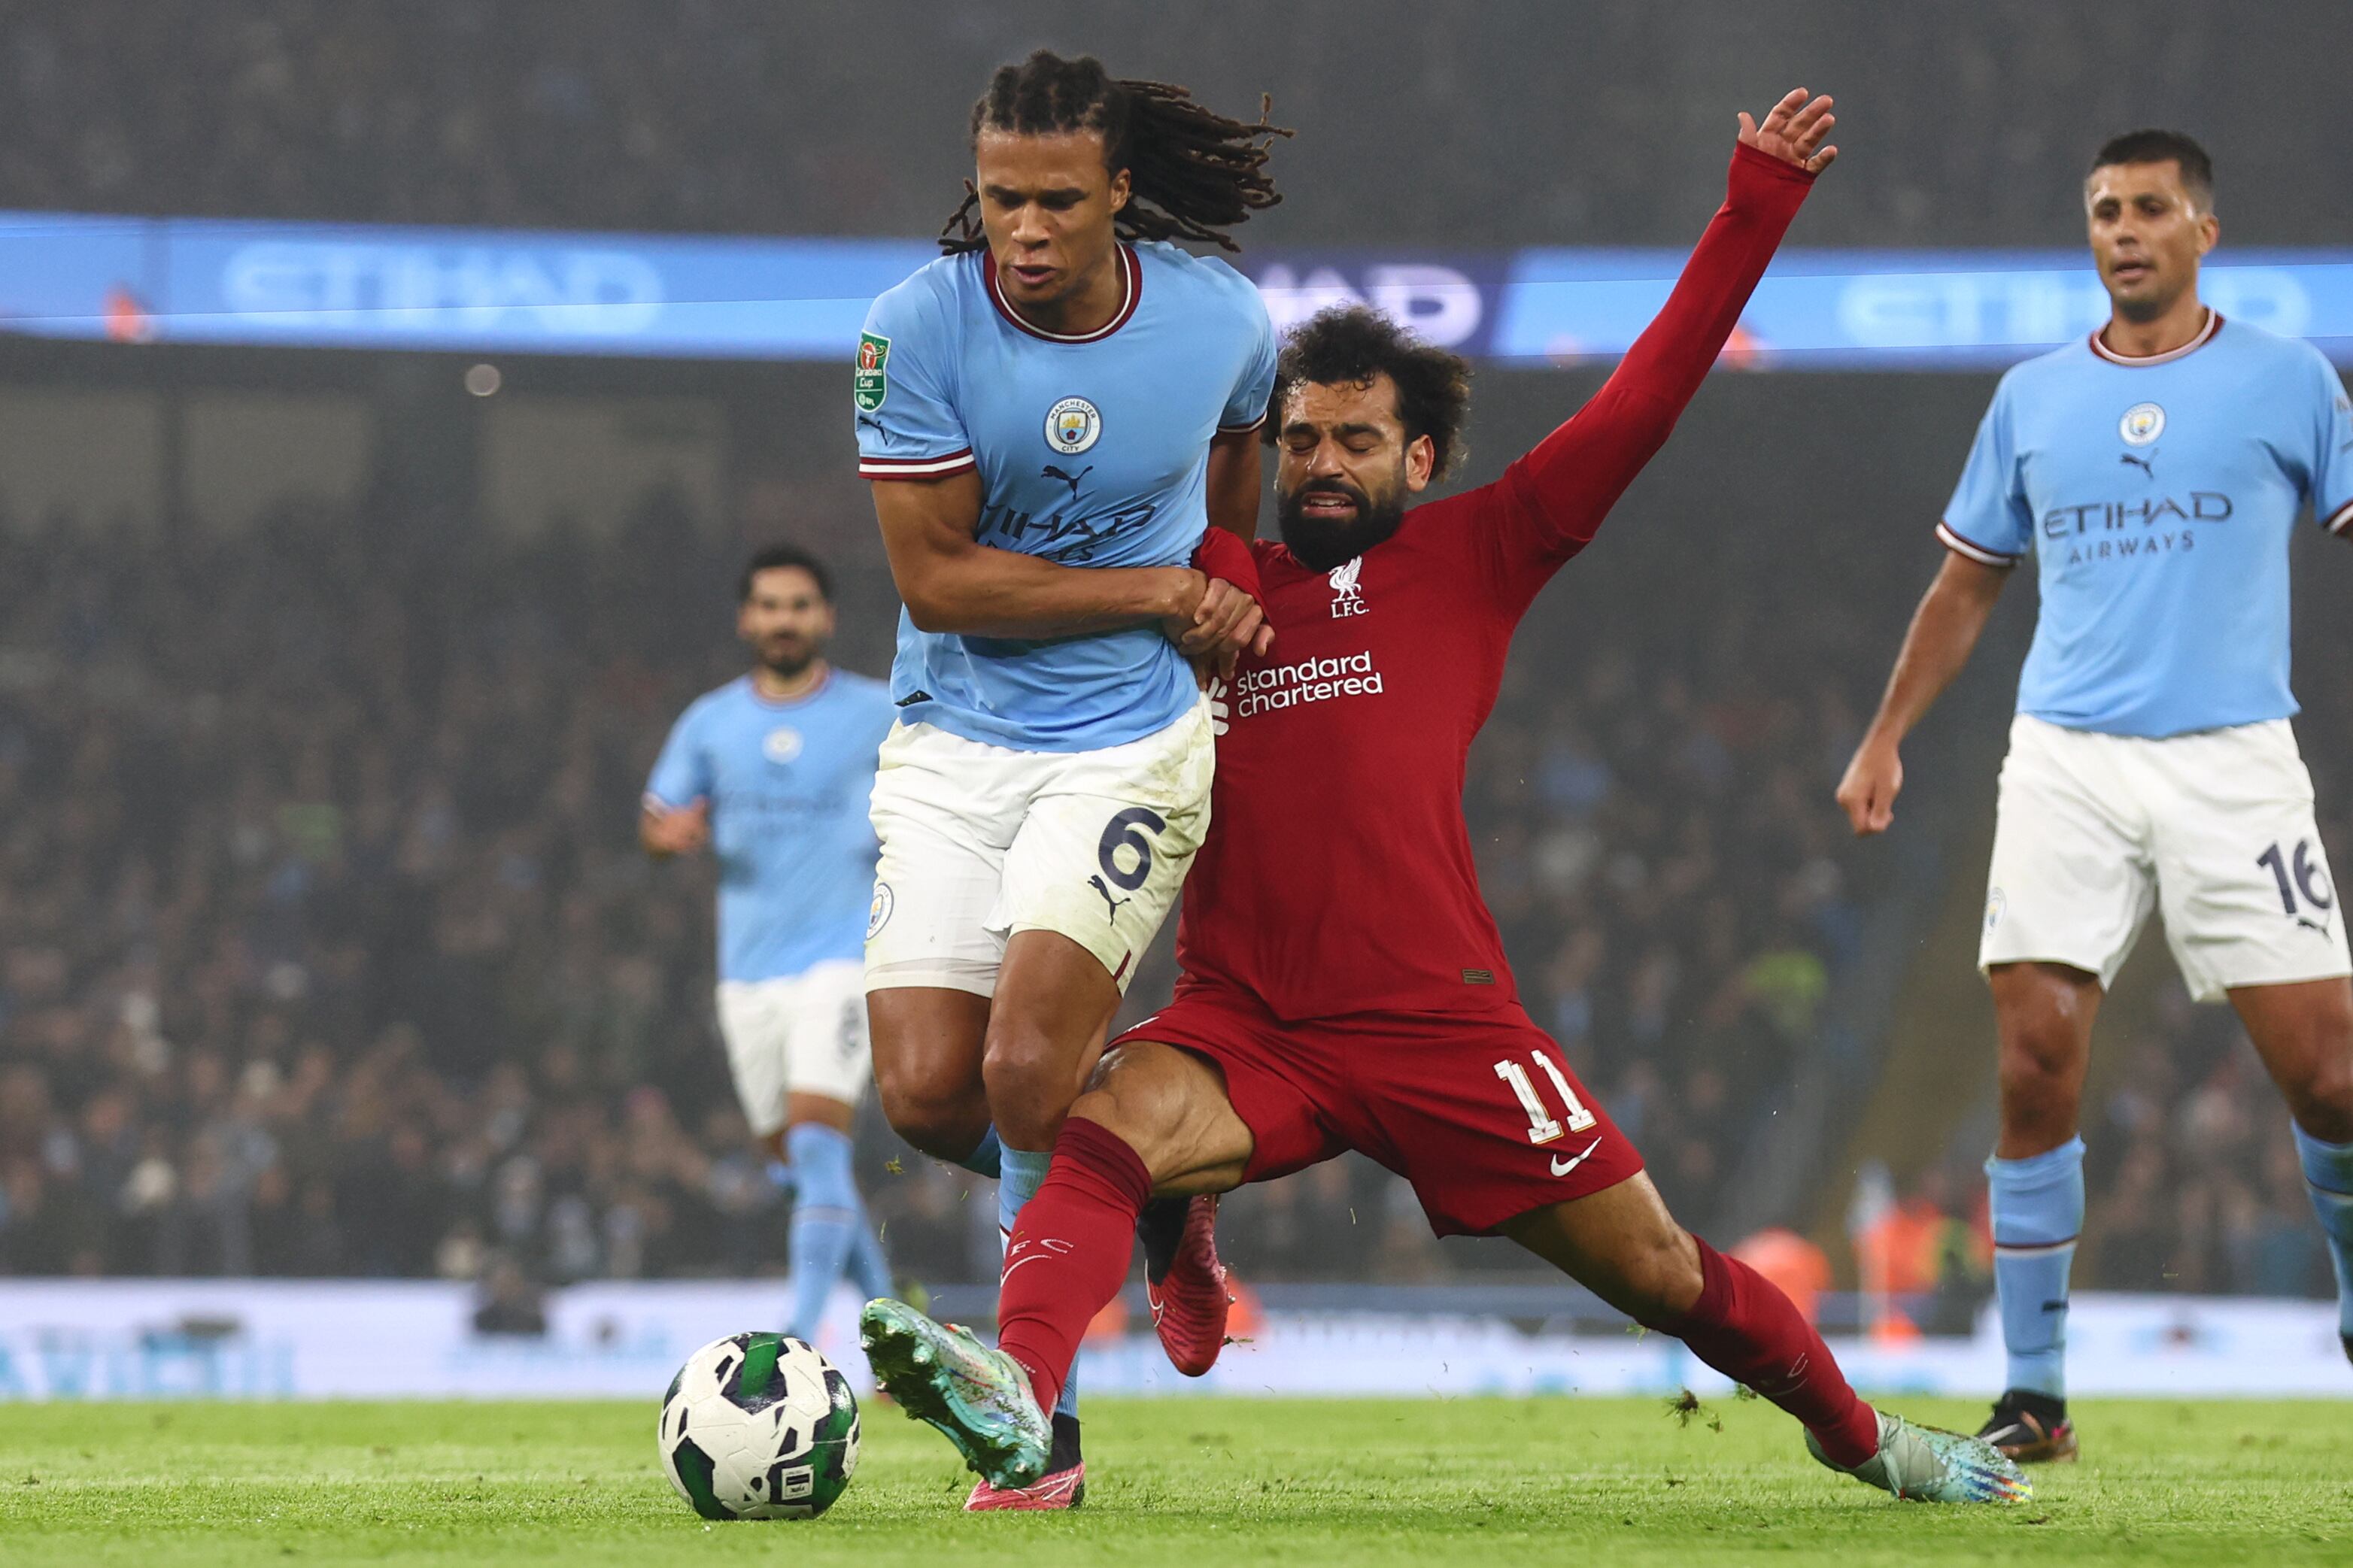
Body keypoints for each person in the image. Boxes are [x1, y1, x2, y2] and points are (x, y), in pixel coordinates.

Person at [864, 92, 2028, 1508]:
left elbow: (1647, 394)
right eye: (1298, 439)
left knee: (1664, 1274)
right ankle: (1025, 1421)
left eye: (1357, 441)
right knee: (1090, 1131)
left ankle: (1874, 1444)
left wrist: (1751, 208)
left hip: (1440, 1024)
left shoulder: (1486, 549)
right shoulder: (1213, 585)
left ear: (1422, 461)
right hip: (1251, 1020)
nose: (1322, 463)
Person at [1834, 129, 2353, 1463]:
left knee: (2334, 1081)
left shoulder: (2287, 380)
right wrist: (1887, 733)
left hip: (2233, 760)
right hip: (2064, 759)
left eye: (2146, 210)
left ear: (2200, 231)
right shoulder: (2029, 398)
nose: (2120, 232)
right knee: (2030, 1064)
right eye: (2102, 212)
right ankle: (2034, 1396)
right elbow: (1966, 583)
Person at [853, 49, 1283, 1509]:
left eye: (1051, 204)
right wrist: (1164, 587)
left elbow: (1235, 485)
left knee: (1027, 1077)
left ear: (1117, 198)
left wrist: (1209, 593)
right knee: (923, 1093)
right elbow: (939, 580)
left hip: (1126, 743)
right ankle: (1155, 1188)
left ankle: (1040, 1427)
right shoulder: (915, 327)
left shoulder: (1221, 318)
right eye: (997, 203)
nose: (1021, 235)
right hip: (954, 736)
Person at [642, 545, 897, 1348]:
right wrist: (668, 836)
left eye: (798, 605)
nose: (783, 620)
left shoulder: (876, 711)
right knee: (795, 1168)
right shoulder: (710, 721)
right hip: (746, 974)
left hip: (841, 959)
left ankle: (796, 1334)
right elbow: (658, 818)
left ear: (824, 618)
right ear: (746, 619)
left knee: (820, 1143)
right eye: (768, 606)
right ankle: (895, 1319)